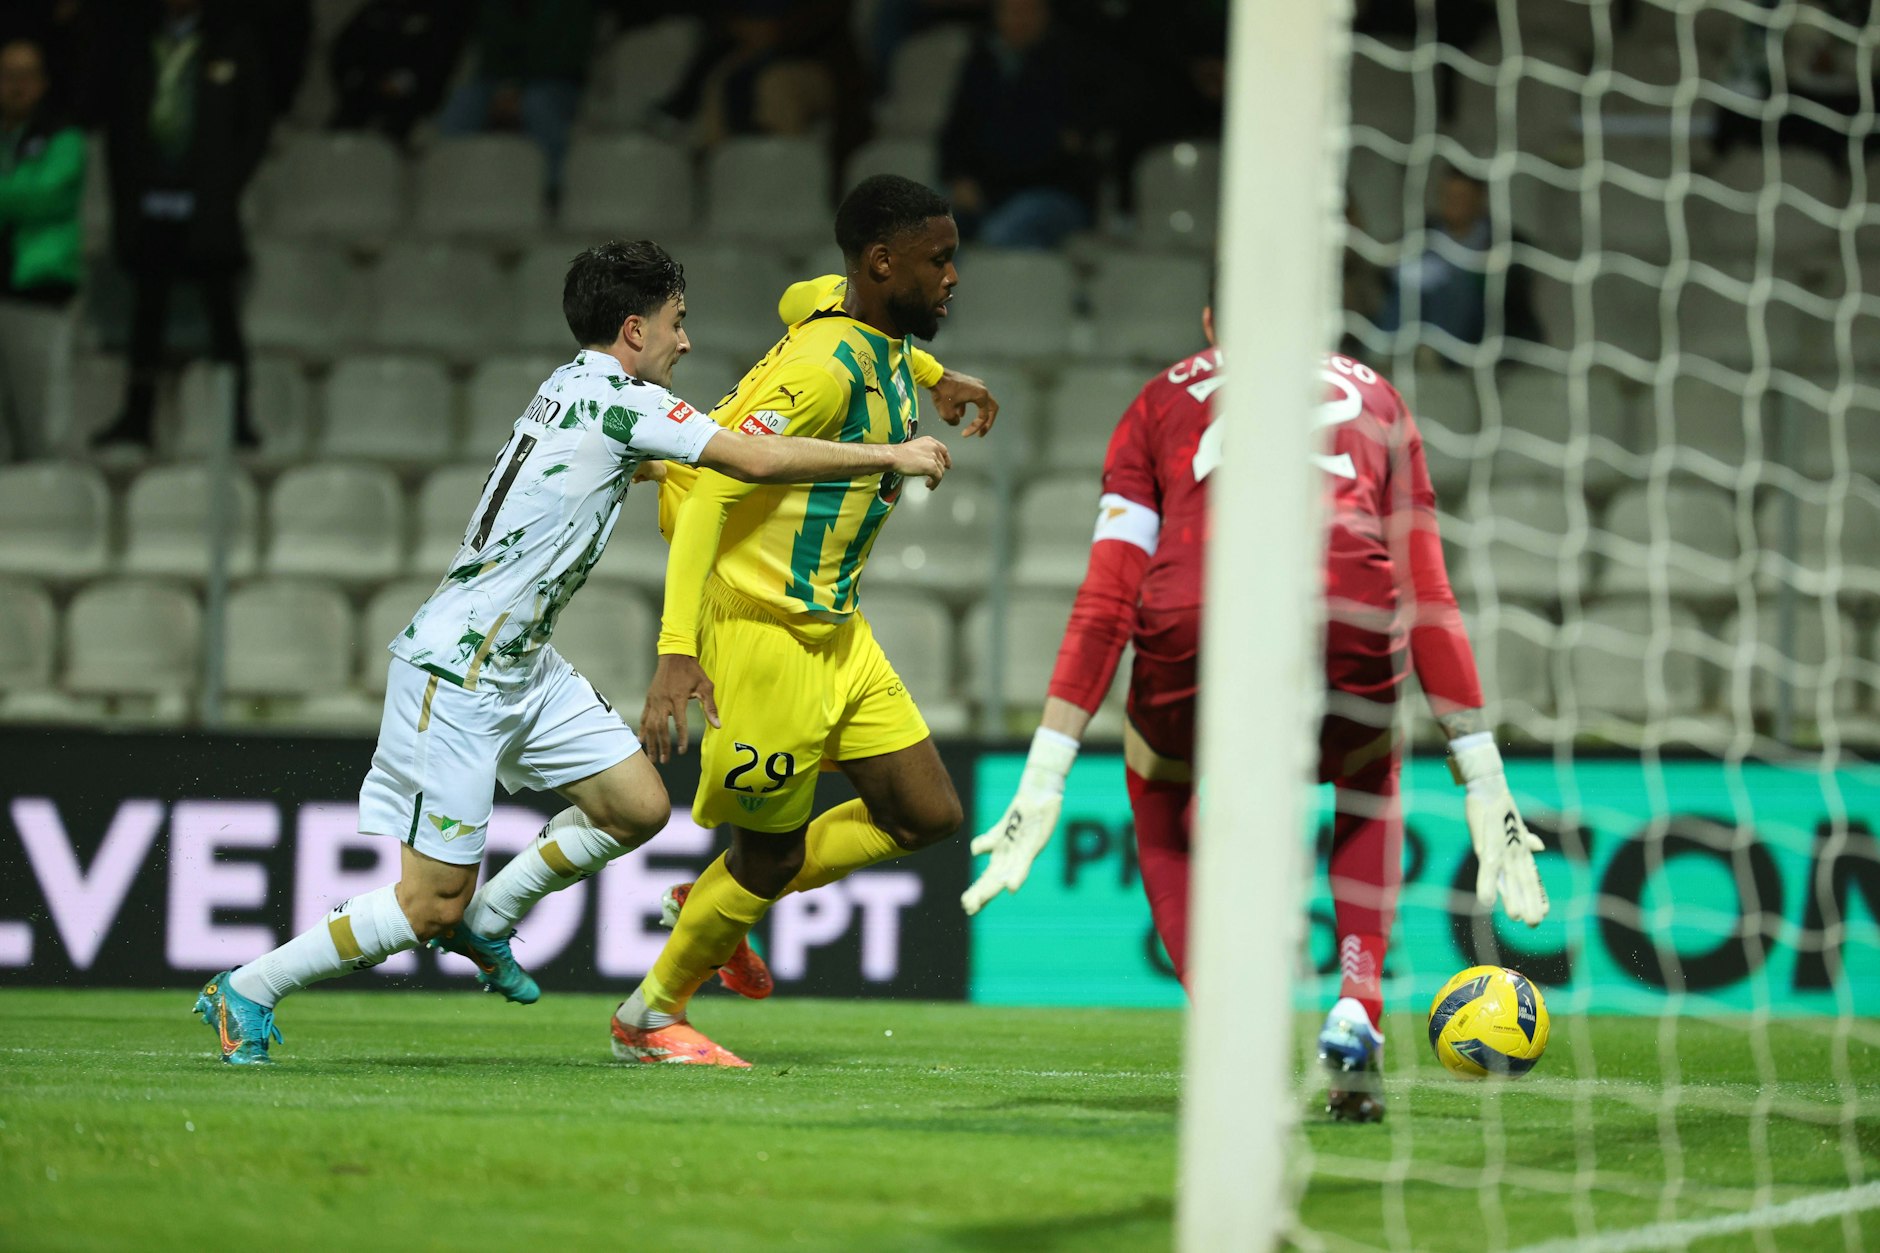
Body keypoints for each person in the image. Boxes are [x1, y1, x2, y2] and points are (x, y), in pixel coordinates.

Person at [191, 240, 955, 1065]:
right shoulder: (622, 401)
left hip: (524, 664)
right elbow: (758, 456)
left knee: (635, 807)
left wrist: (931, 374)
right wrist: (893, 452)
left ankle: (492, 919)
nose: (685, 342)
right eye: (677, 323)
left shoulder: (574, 388)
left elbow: (639, 459)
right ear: (633, 328)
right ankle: (249, 987)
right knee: (428, 905)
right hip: (457, 669)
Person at [962, 304, 1549, 1122]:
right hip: (1350, 595)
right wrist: (1482, 773)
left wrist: (1046, 767)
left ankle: (1230, 1030)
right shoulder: (1379, 398)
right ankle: (1357, 1004)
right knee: (1367, 769)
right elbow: (1428, 593)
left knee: (1159, 776)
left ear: (1206, 316)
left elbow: (1108, 596)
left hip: (1200, 600)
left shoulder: (1158, 401)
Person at [613, 175, 997, 1067]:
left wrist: (939, 375)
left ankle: (714, 896)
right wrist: (677, 651)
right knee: (772, 859)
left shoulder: (852, 313)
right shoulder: (823, 371)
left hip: (836, 630)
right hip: (763, 631)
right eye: (938, 260)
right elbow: (713, 483)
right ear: (881, 261)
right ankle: (650, 1013)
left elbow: (808, 297)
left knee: (926, 811)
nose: (952, 277)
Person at [90, 0, 270, 450]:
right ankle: (137, 417)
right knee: (146, 319)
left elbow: (255, 124)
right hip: (150, 199)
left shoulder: (231, 43)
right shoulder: (137, 44)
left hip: (206, 206)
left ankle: (238, 420)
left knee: (222, 318)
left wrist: (224, 184)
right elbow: (118, 122)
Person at [937, 0, 1100, 250]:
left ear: (1046, 14)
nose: (1019, 20)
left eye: (1028, 12)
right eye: (1011, 11)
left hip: (1055, 193)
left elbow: (1056, 145)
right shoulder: (982, 61)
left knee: (1000, 235)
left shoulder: (1071, 61)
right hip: (986, 191)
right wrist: (960, 178)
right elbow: (956, 132)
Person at [0, 37, 83, 461]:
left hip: (37, 298)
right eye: (8, 75)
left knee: (40, 436)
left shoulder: (64, 136)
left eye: (26, 76)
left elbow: (44, 195)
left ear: (44, 82)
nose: (16, 86)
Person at [435, 0, 594, 199]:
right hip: (497, 82)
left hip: (557, 81)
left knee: (537, 104)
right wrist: (506, 88)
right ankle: (447, 186)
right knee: (463, 102)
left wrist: (518, 89)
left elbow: (568, 54)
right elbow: (491, 51)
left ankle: (553, 190)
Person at [1374, 167, 1543, 354]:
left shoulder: (1504, 240)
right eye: (1448, 197)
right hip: (1421, 314)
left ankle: (1435, 353)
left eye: (1461, 198)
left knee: (1456, 286)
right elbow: (1388, 271)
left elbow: (1513, 292)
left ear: (1479, 199)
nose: (1453, 204)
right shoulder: (1423, 231)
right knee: (1410, 288)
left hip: (1479, 323)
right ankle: (1388, 352)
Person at [326, 0, 468, 145]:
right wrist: (360, 81)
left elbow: (440, 61)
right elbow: (342, 51)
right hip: (362, 98)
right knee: (335, 139)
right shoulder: (376, 10)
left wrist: (402, 83)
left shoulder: (440, 14)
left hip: (411, 104)